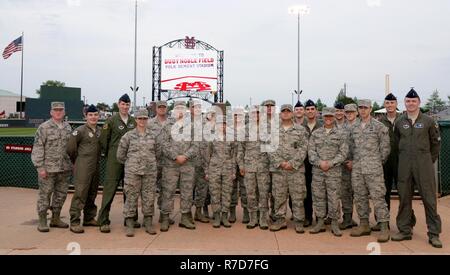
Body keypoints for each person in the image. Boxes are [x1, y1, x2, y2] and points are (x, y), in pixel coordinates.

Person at [392, 89, 442, 248]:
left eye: (414, 101)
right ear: (404, 103)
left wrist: (427, 160)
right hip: (405, 165)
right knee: (404, 198)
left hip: (424, 165)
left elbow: (436, 144)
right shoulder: (400, 122)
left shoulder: (428, 121)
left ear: (419, 102)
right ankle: (405, 230)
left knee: (429, 199)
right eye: (408, 101)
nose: (411, 103)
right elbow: (396, 143)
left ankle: (434, 234)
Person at [349, 99, 391, 243]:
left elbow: (385, 149)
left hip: (374, 169)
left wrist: (376, 162)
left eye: (365, 107)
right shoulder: (353, 127)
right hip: (358, 169)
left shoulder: (379, 127)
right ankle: (364, 224)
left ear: (371, 109)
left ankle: (384, 227)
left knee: (378, 197)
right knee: (360, 197)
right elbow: (350, 147)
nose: (363, 110)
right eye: (360, 107)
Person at [97, 94, 137, 233]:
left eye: (127, 105)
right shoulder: (111, 121)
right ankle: (103, 220)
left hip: (130, 160)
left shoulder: (133, 121)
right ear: (118, 104)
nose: (125, 107)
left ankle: (130, 218)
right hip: (114, 160)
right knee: (110, 190)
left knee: (130, 190)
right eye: (123, 104)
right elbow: (103, 141)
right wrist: (111, 154)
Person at [31, 102, 73, 232]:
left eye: (61, 110)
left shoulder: (68, 127)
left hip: (64, 168)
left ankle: (56, 218)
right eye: (56, 110)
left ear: (64, 112)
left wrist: (72, 163)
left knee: (61, 195)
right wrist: (40, 167)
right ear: (51, 112)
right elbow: (38, 148)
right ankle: (43, 220)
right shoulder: (44, 127)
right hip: (48, 169)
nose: (58, 112)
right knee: (45, 194)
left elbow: (70, 148)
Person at [117, 108, 159, 237]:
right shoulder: (128, 136)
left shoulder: (153, 136)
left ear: (148, 120)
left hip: (149, 172)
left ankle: (148, 223)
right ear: (136, 120)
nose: (142, 121)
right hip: (133, 172)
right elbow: (120, 155)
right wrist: (132, 164)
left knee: (149, 197)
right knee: (131, 197)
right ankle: (129, 223)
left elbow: (158, 153)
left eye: (145, 118)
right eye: (140, 118)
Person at [308, 107, 348, 237]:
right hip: (318, 171)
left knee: (334, 198)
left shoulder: (341, 134)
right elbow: (311, 151)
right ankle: (320, 221)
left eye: (331, 116)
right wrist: (320, 162)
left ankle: (335, 223)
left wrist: (330, 163)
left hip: (334, 172)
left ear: (334, 117)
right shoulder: (316, 134)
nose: (328, 118)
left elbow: (343, 153)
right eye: (326, 116)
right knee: (318, 197)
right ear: (322, 117)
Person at [269, 104, 308, 233]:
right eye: (283, 111)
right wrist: (280, 162)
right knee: (279, 196)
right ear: (280, 114)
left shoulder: (301, 130)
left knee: (297, 196)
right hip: (279, 170)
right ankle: (280, 220)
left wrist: (292, 163)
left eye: (288, 111)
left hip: (295, 170)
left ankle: (298, 221)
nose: (286, 113)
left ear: (292, 114)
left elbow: (303, 149)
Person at [159, 101, 198, 231]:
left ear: (186, 110)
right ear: (173, 110)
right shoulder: (167, 126)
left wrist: (185, 156)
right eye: (177, 108)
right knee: (168, 191)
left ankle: (185, 218)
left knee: (187, 192)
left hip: (187, 164)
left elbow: (196, 145)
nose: (180, 110)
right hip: (171, 164)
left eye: (182, 108)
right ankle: (165, 218)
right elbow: (164, 144)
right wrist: (176, 156)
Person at [67, 104, 102, 234]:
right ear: (86, 116)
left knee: (92, 192)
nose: (93, 117)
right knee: (80, 193)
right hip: (83, 165)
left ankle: (89, 217)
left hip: (95, 165)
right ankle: (75, 221)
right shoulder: (80, 130)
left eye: (95, 115)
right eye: (90, 115)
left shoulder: (99, 130)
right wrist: (77, 160)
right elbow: (71, 148)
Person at [372, 93, 402, 231]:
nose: (390, 105)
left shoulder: (404, 120)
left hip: (401, 161)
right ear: (384, 105)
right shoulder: (379, 122)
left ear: (396, 104)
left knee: (404, 193)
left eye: (392, 103)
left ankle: (405, 223)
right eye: (387, 103)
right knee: (383, 193)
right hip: (384, 162)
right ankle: (382, 222)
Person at [237, 105, 271, 230]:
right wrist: (241, 165)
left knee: (263, 193)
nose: (255, 115)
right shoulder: (244, 129)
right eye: (253, 113)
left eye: (257, 113)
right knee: (250, 193)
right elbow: (240, 149)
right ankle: (253, 218)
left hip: (263, 166)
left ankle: (263, 218)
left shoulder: (267, 128)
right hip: (249, 166)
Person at [205, 115, 237, 228]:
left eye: (224, 124)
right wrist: (207, 171)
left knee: (227, 193)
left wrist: (233, 171)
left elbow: (234, 156)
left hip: (228, 169)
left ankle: (224, 216)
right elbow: (207, 156)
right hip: (214, 169)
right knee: (214, 193)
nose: (221, 126)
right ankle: (217, 216)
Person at [148, 100, 174, 225]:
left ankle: (164, 215)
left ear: (167, 108)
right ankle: (148, 217)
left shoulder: (172, 123)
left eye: (164, 107)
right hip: (153, 160)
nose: (162, 109)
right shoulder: (149, 123)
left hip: (169, 161)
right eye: (160, 107)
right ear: (156, 109)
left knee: (167, 190)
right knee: (149, 189)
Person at [302, 99, 322, 227]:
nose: (310, 111)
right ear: (305, 112)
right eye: (308, 109)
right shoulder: (299, 127)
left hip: (319, 164)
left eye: (312, 109)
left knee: (320, 192)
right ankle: (307, 216)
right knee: (306, 192)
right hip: (304, 163)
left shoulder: (322, 125)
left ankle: (321, 217)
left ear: (316, 111)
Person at [189, 99, 210, 224]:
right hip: (189, 162)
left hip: (202, 161)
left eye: (199, 107)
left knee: (202, 189)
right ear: (190, 109)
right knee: (187, 189)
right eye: (194, 107)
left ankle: (198, 212)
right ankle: (186, 214)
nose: (197, 109)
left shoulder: (205, 123)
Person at [339, 103, 359, 230]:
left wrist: (355, 162)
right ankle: (347, 219)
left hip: (360, 166)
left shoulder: (363, 126)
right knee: (345, 193)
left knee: (360, 194)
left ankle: (364, 221)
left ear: (356, 112)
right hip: (345, 166)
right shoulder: (340, 128)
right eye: (347, 112)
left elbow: (368, 149)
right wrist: (346, 162)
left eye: (352, 111)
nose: (349, 114)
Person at [230, 108, 248, 224]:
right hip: (230, 162)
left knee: (245, 188)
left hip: (245, 162)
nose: (238, 117)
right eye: (236, 115)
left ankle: (246, 211)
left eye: (240, 115)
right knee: (231, 188)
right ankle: (232, 211)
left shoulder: (247, 130)